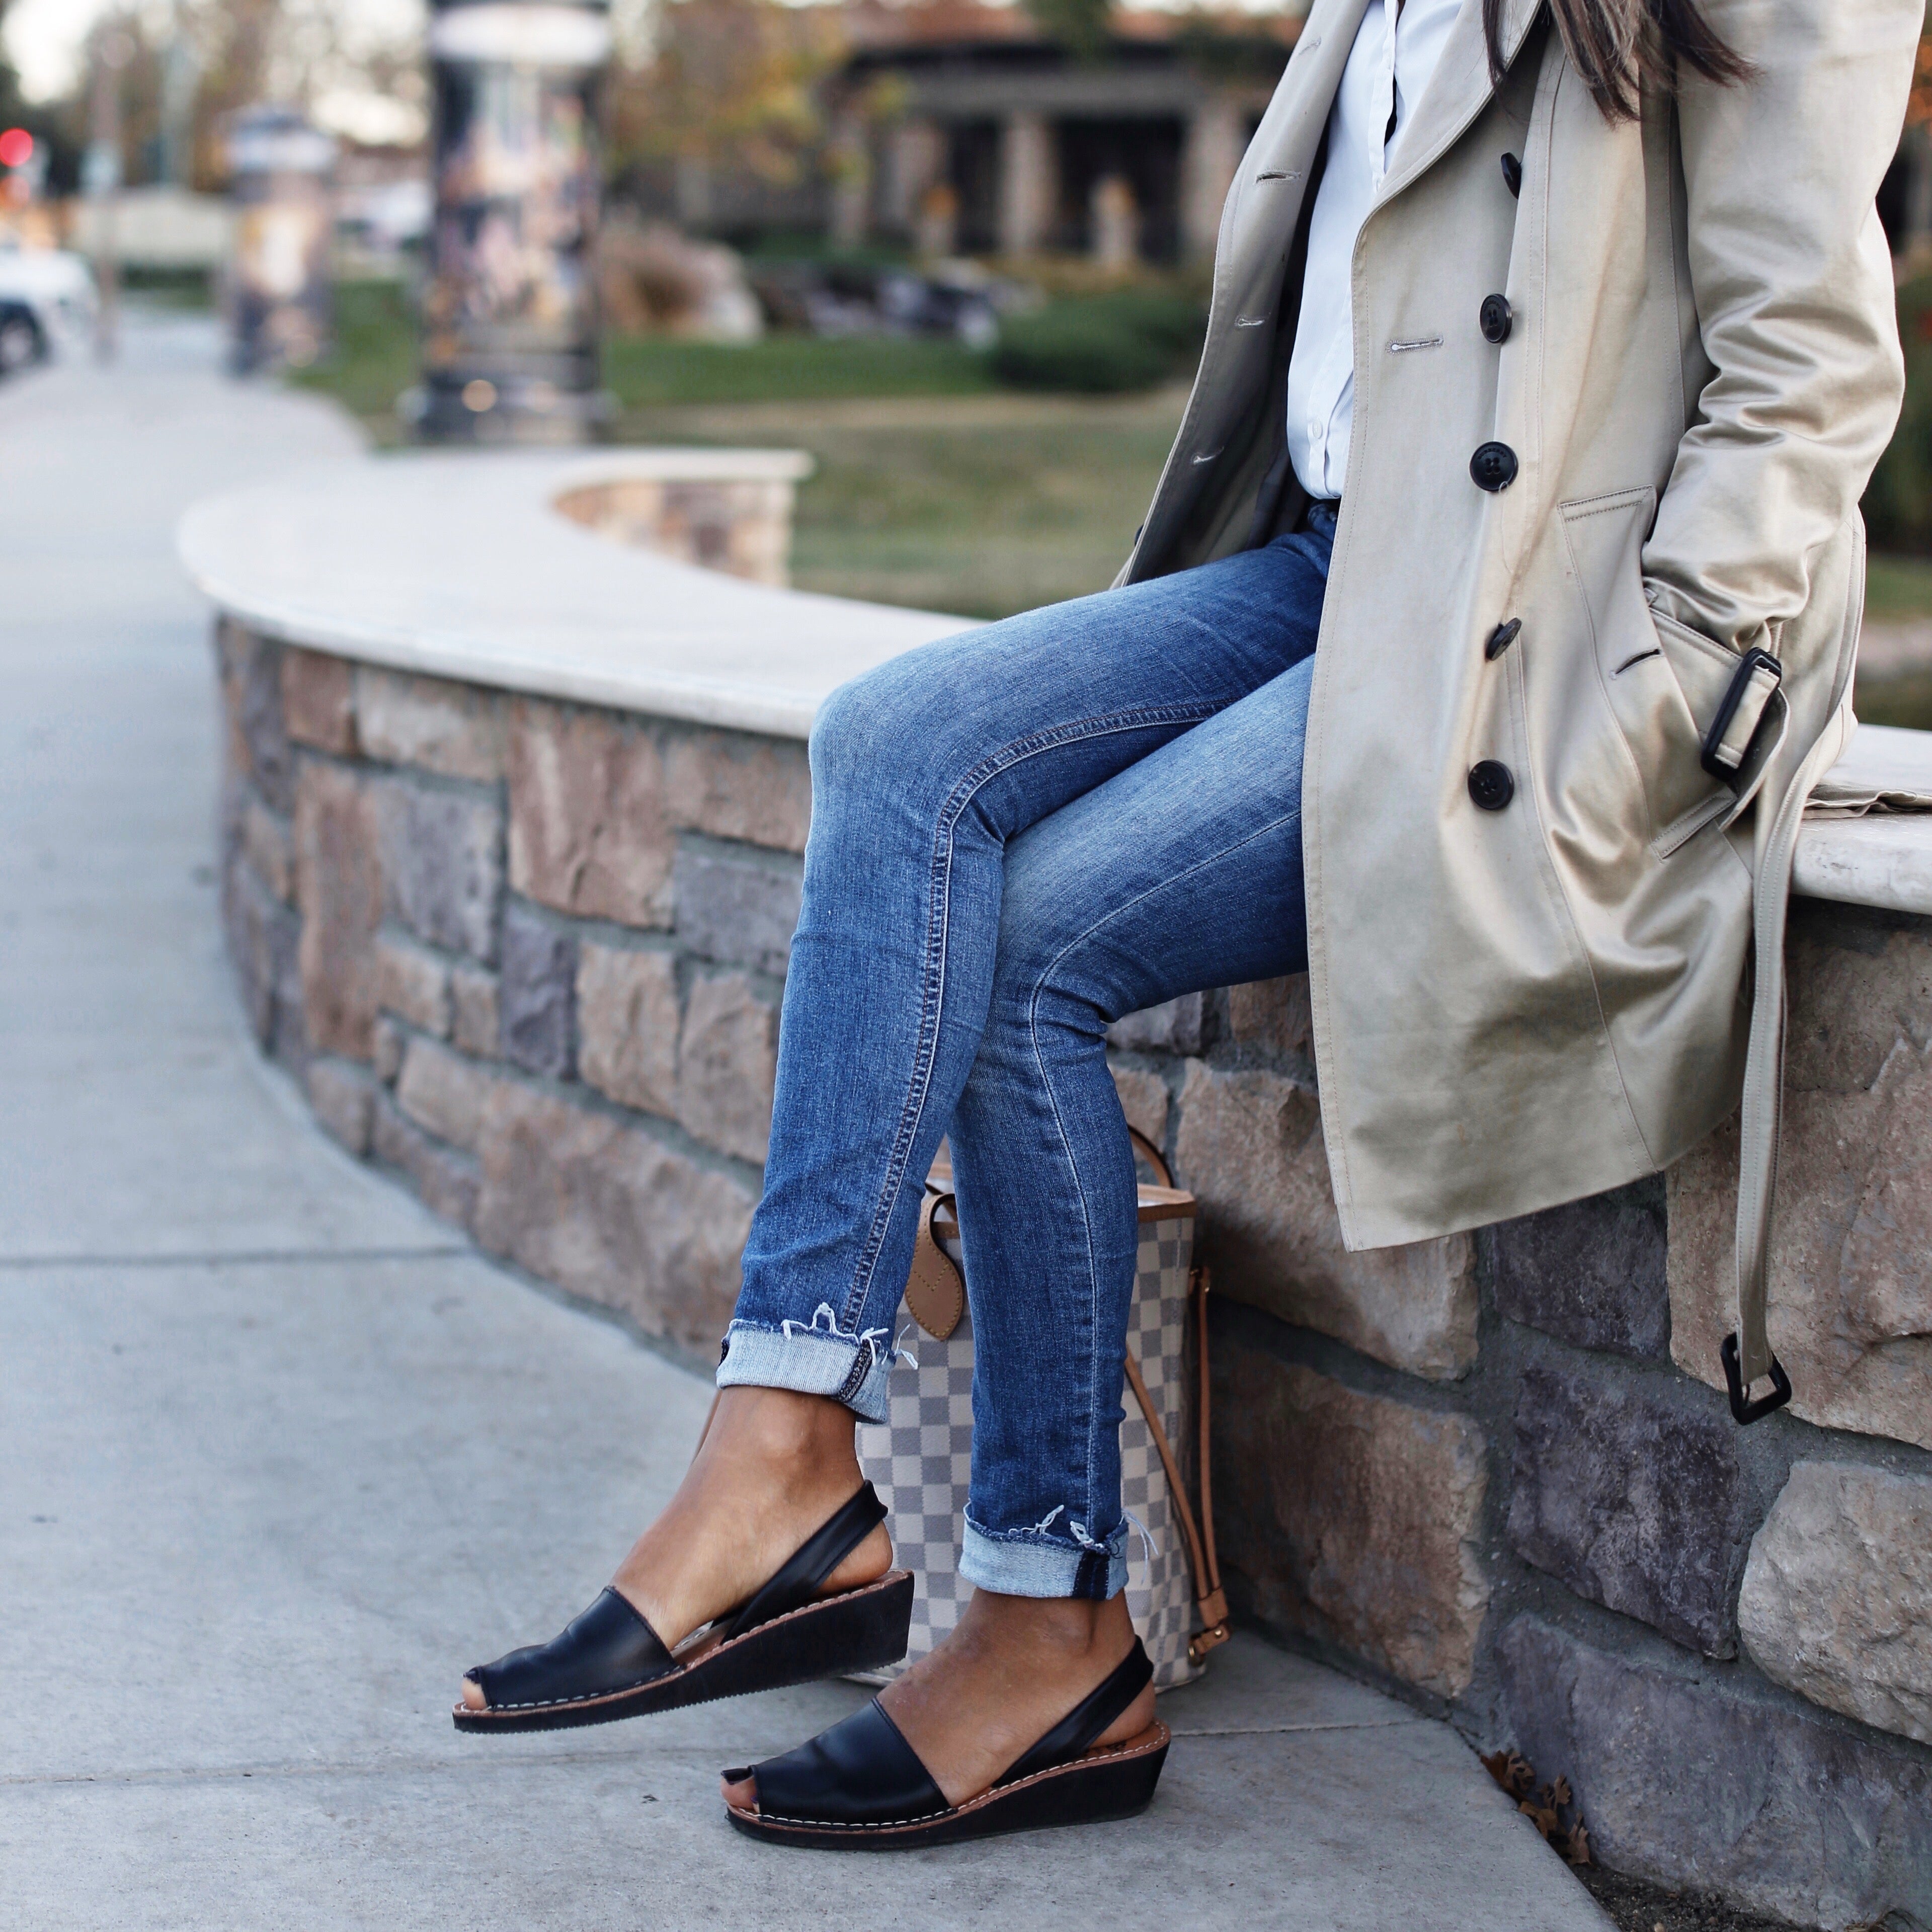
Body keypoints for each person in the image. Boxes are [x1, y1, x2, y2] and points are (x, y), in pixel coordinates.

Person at [455, 0, 1913, 1848]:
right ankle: (784, 1437)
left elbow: (1808, 367)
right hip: (1321, 563)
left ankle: (1049, 1621)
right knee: (893, 739)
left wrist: (1658, 701)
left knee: (1032, 955)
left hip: (1520, 632)